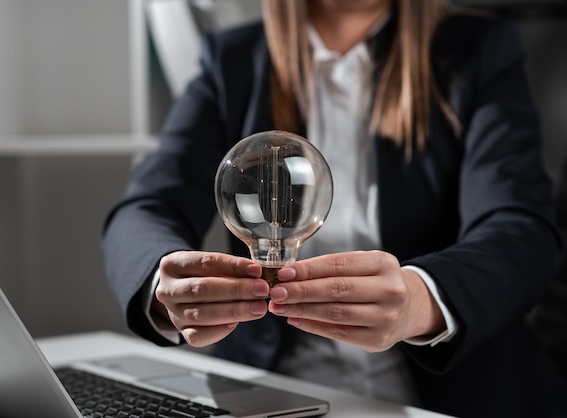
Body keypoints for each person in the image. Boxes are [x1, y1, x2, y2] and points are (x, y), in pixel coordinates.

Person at [102, 0, 567, 416]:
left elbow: (521, 229)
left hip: (455, 397)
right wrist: (166, 284)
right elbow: (147, 207)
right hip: (273, 397)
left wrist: (421, 300)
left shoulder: (477, 48)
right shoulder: (232, 59)